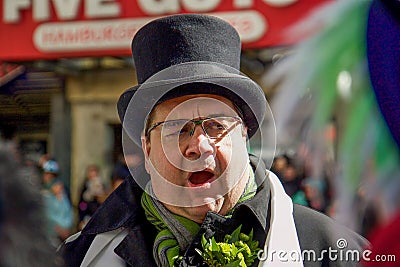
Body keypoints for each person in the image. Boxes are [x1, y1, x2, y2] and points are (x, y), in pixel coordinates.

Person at [61, 14, 367, 266]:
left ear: (244, 134)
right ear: (147, 146)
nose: (199, 146)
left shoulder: (336, 252)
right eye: (176, 128)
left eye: (217, 125)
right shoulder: (76, 257)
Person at [41, 159, 74, 245]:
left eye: (53, 176)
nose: (50, 179)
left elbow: (68, 211)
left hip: (63, 236)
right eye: (47, 174)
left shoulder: (63, 193)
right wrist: (58, 229)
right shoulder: (43, 194)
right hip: (49, 235)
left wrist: (67, 228)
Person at [78, 164, 108, 230]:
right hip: (87, 215)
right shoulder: (85, 187)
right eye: (91, 171)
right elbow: (82, 205)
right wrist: (81, 218)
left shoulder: (102, 185)